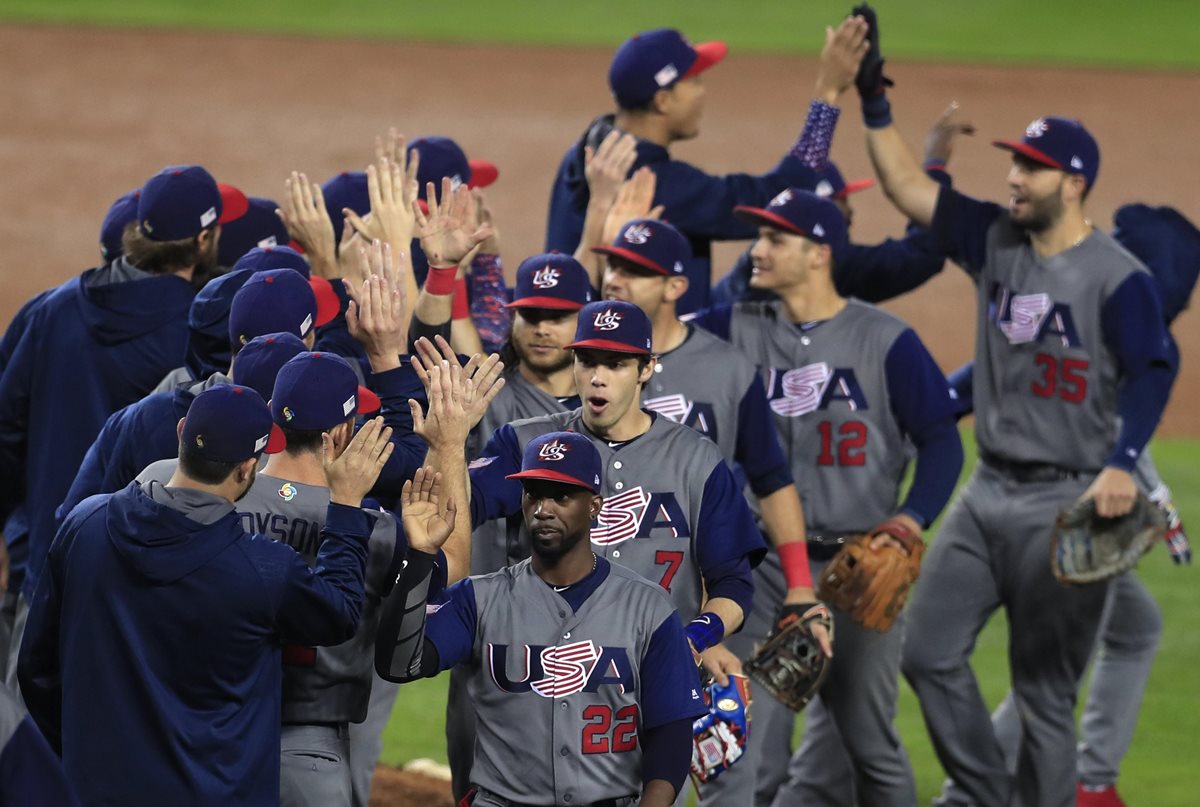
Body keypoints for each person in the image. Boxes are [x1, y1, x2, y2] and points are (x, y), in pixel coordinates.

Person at [850, 9, 1178, 805]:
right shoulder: (993, 238)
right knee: (928, 652)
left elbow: (1153, 368)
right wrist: (872, 97)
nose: (1014, 178)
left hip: (1069, 502)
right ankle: (991, 792)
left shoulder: (1117, 277)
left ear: (1073, 182)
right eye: (1013, 163)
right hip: (986, 493)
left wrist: (1122, 464)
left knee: (1042, 691)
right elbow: (905, 186)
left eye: (1031, 167)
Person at [684, 188, 962, 806]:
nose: (756, 250)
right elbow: (660, 343)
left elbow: (942, 443)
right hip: (761, 573)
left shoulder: (888, 340)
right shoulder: (730, 328)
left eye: (774, 239)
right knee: (749, 743)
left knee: (869, 743)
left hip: (858, 572)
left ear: (818, 254)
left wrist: (910, 521)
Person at [19, 384, 391, 806]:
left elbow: (36, 669)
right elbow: (339, 612)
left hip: (95, 790)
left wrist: (82, 754)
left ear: (181, 432)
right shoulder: (263, 570)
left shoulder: (84, 526)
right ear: (247, 467)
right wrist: (344, 506)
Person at [594, 216, 825, 804]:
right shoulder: (590, 364)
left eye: (637, 271)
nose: (617, 279)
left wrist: (800, 586)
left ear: (675, 286)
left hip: (715, 588)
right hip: (616, 589)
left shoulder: (726, 367)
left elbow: (771, 478)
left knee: (726, 759)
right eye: (613, 265)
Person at [453, 301, 766, 699]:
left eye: (616, 364)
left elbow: (735, 584)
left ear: (646, 368)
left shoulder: (696, 460)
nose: (598, 378)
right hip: (540, 676)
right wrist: (448, 445)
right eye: (587, 361)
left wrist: (697, 637)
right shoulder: (524, 443)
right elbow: (459, 510)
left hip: (648, 682)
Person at [377, 432, 706, 807]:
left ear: (594, 505)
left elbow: (672, 731)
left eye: (561, 496)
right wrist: (420, 556)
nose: (543, 509)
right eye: (533, 493)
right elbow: (399, 665)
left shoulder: (648, 608)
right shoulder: (479, 598)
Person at [0, 164, 233, 689]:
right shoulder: (200, 331)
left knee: (26, 751)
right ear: (202, 239)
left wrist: (15, 529)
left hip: (43, 564)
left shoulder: (51, 310)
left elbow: (6, 433)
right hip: (145, 587)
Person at [546, 18, 875, 313]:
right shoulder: (655, 182)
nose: (702, 93)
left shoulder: (586, 152)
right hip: (644, 359)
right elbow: (777, 198)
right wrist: (828, 94)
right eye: (695, 81)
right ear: (663, 100)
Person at [445, 252, 592, 798]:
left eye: (559, 315)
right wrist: (445, 270)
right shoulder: (484, 391)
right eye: (530, 315)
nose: (542, 328)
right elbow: (438, 334)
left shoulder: (608, 414)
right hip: (491, 633)